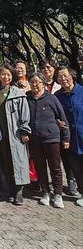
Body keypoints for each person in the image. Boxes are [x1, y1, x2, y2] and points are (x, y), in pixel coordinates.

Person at [27, 72, 69, 208]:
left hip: (52, 138)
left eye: (38, 82)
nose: (35, 84)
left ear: (44, 84)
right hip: (35, 139)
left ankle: (58, 194)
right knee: (40, 167)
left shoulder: (51, 98)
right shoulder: (27, 98)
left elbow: (62, 119)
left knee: (55, 168)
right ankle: (45, 192)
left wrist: (66, 138)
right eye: (32, 82)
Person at [0, 64, 31, 205]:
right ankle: (10, 189)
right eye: (3, 74)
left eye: (8, 74)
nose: (6, 77)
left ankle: (18, 191)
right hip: (1, 135)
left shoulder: (18, 93)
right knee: (6, 163)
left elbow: (25, 114)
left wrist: (24, 130)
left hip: (15, 134)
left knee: (19, 161)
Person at [55, 67, 83, 206]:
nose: (63, 79)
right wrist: (56, 121)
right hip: (69, 139)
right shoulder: (57, 96)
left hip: (82, 135)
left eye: (66, 75)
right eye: (60, 77)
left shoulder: (81, 91)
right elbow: (55, 114)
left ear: (72, 76)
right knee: (76, 168)